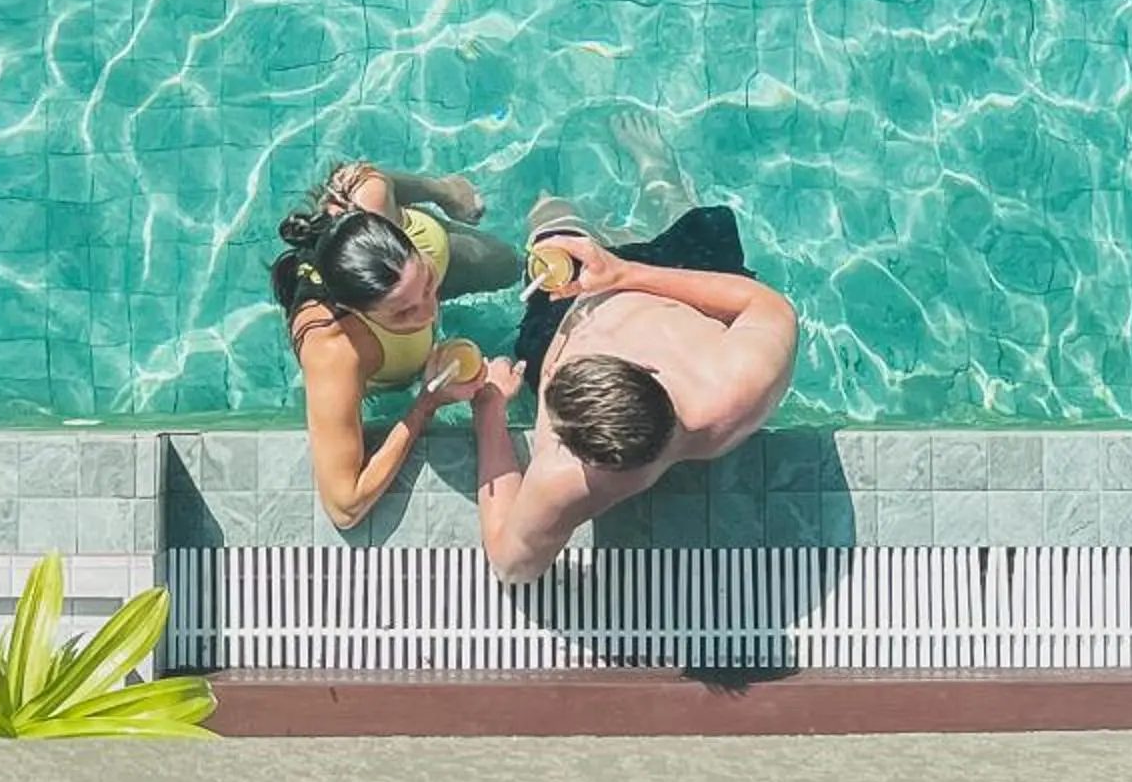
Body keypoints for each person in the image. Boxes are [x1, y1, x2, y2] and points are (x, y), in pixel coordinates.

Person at [464, 122, 798, 588]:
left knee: (552, 230)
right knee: (684, 216)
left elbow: (511, 564)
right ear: (648, 369)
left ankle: (545, 192)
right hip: (675, 290)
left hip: (568, 298)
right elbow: (768, 306)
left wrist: (490, 411)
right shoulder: (734, 386)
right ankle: (658, 172)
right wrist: (625, 274)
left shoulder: (566, 477)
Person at [271, 158, 525, 531]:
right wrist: (426, 403)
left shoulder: (368, 202)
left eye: (428, 288)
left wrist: (441, 193)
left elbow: (367, 177)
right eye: (403, 313)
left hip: (430, 248)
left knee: (514, 266)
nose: (429, 312)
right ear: (353, 311)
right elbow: (345, 508)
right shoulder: (335, 348)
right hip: (390, 334)